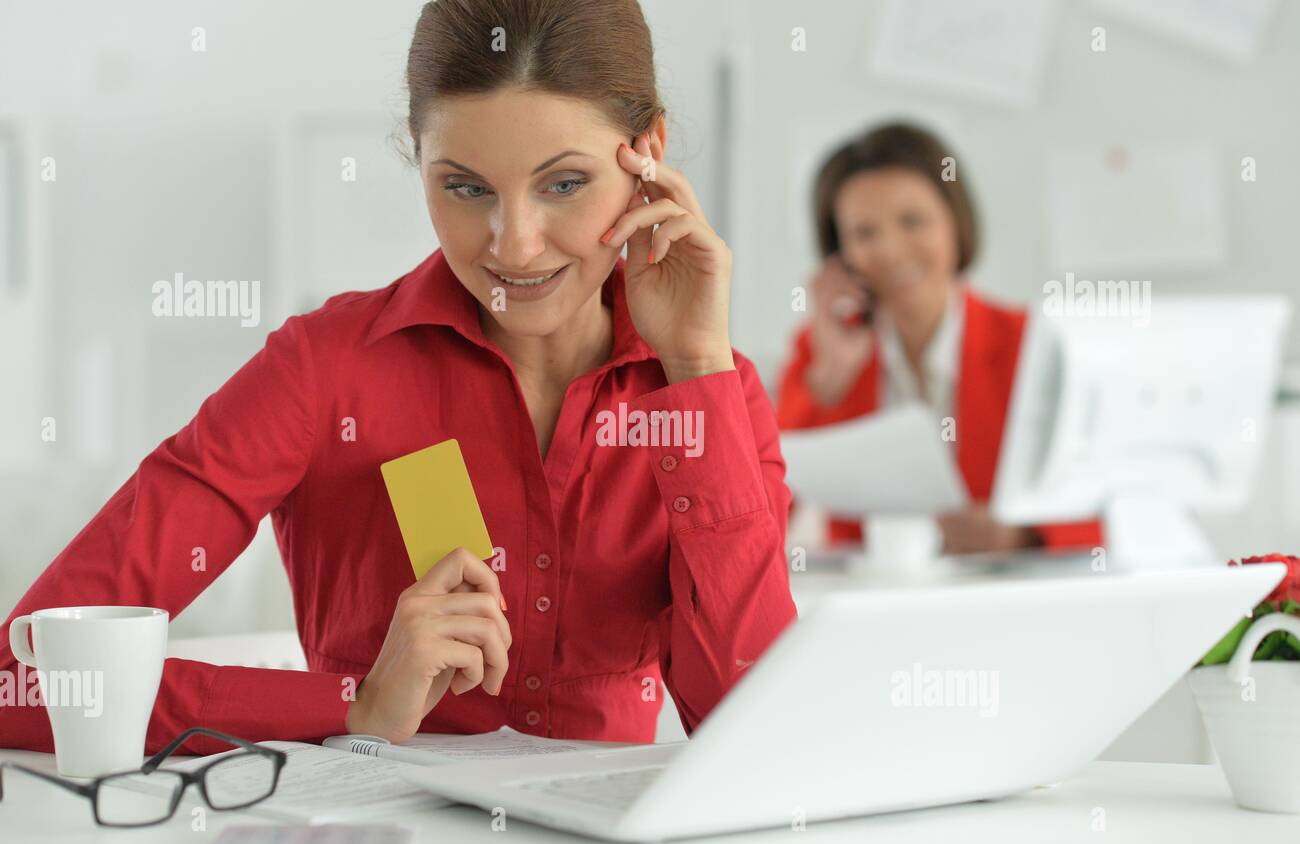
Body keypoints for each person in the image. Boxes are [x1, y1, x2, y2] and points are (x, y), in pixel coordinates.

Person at [0, 0, 797, 757]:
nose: (513, 246)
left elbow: (759, 735)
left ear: (647, 155)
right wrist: (352, 708)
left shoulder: (714, 392)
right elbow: (26, 679)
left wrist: (695, 368)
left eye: (563, 184)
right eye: (465, 187)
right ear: (418, 162)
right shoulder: (324, 369)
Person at [775, 122, 1102, 553]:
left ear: (955, 222)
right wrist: (829, 377)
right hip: (876, 601)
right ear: (839, 253)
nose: (891, 250)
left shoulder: (1032, 345)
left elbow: (1107, 507)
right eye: (864, 233)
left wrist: (1022, 536)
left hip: (1008, 600)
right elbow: (761, 513)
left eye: (913, 221)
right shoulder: (820, 353)